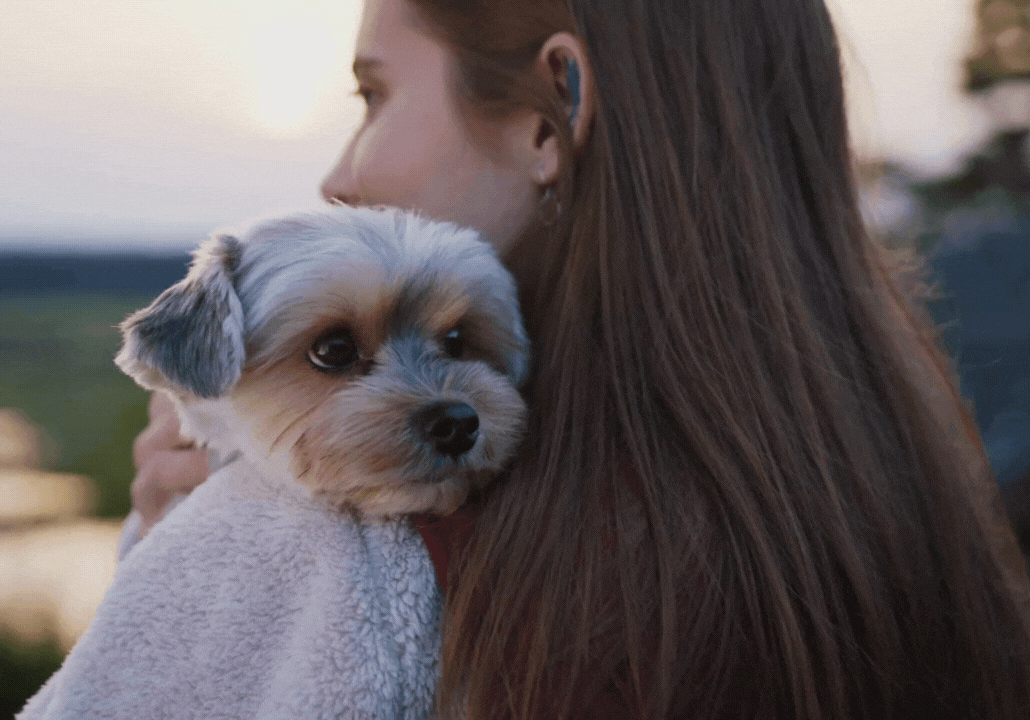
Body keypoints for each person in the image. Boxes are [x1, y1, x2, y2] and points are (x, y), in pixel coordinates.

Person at [131, 0, 1030, 717]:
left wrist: (203, 582)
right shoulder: (889, 466)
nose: (338, 176)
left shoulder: (441, 572)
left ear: (552, 105)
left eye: (375, 95)